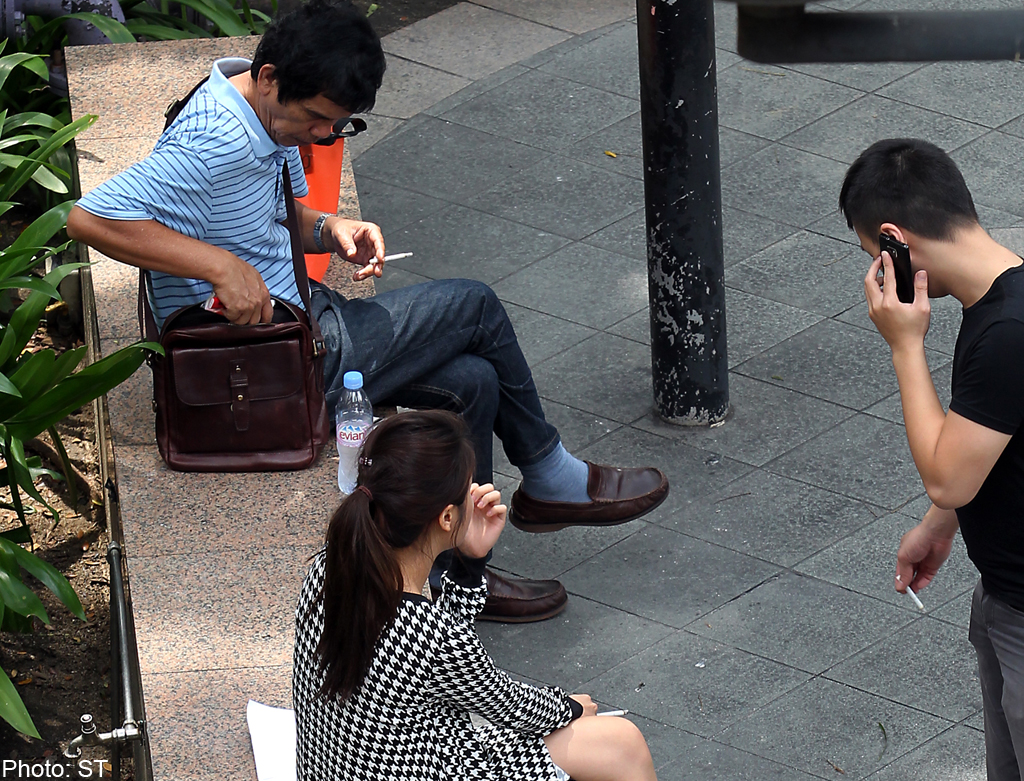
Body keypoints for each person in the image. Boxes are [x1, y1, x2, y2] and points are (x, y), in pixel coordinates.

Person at [65, 0, 668, 623]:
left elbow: (269, 218)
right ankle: (547, 478)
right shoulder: (217, 136)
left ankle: (460, 580)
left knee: (473, 383)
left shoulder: (258, 110)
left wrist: (330, 228)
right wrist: (219, 268)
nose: (323, 137)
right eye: (317, 120)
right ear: (269, 76)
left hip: (293, 328)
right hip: (262, 360)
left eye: (339, 126)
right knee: (474, 305)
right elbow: (88, 219)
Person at [839, 138, 1024, 781]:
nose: (877, 272)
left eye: (875, 257)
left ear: (895, 239)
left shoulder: (1012, 330)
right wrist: (938, 524)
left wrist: (904, 344)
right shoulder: (1004, 298)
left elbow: (947, 474)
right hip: (1019, 597)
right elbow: (987, 450)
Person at [292, 410, 658, 781]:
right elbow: (510, 705)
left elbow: (445, 659)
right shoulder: (429, 634)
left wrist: (471, 561)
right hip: (424, 761)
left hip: (348, 761)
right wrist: (571, 708)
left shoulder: (328, 567)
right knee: (622, 743)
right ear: (447, 519)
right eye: (468, 485)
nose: (475, 493)